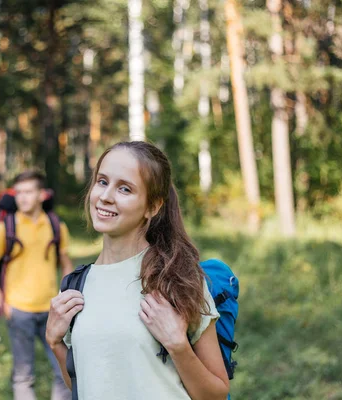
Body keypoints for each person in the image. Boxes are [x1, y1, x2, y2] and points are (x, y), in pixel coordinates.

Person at [45, 141, 230, 399]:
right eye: (102, 181)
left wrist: (178, 346)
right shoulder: (77, 285)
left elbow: (217, 394)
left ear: (152, 207)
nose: (106, 196)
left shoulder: (176, 278)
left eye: (125, 188)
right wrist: (55, 344)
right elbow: (86, 385)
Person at [0, 170, 74, 400]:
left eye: (28, 192)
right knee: (23, 375)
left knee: (65, 371)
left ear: (42, 195)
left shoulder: (55, 225)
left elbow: (67, 265)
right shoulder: (6, 228)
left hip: (52, 310)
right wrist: (3, 305)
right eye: (18, 192)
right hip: (18, 311)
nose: (22, 197)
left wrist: (64, 298)